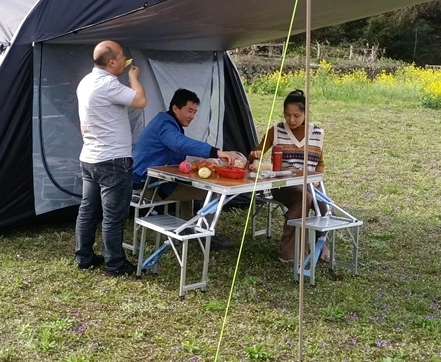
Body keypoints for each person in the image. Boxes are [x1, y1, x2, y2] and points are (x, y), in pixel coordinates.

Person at [75, 40, 146, 276]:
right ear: (112, 61)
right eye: (122, 56)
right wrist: (133, 77)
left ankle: (84, 257)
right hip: (113, 161)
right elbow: (140, 101)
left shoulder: (85, 82)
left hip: (90, 157)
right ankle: (115, 264)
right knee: (113, 215)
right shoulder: (108, 84)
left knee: (87, 210)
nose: (126, 59)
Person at [133, 89, 239, 239]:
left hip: (149, 179)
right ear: (175, 108)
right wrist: (216, 152)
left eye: (195, 112)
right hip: (148, 185)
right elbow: (180, 144)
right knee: (213, 192)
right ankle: (205, 234)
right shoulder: (165, 124)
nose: (193, 116)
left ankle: (187, 226)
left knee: (190, 184)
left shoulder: (166, 122)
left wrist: (195, 163)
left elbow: (174, 152)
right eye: (190, 111)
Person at [248, 89, 327, 263]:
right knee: (303, 197)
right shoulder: (275, 130)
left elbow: (319, 163)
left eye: (296, 115)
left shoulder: (317, 134)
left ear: (306, 113)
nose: (291, 120)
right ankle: (290, 251)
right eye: (287, 115)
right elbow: (256, 153)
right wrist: (255, 155)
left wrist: (318, 179)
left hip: (310, 183)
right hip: (282, 184)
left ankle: (321, 245)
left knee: (324, 204)